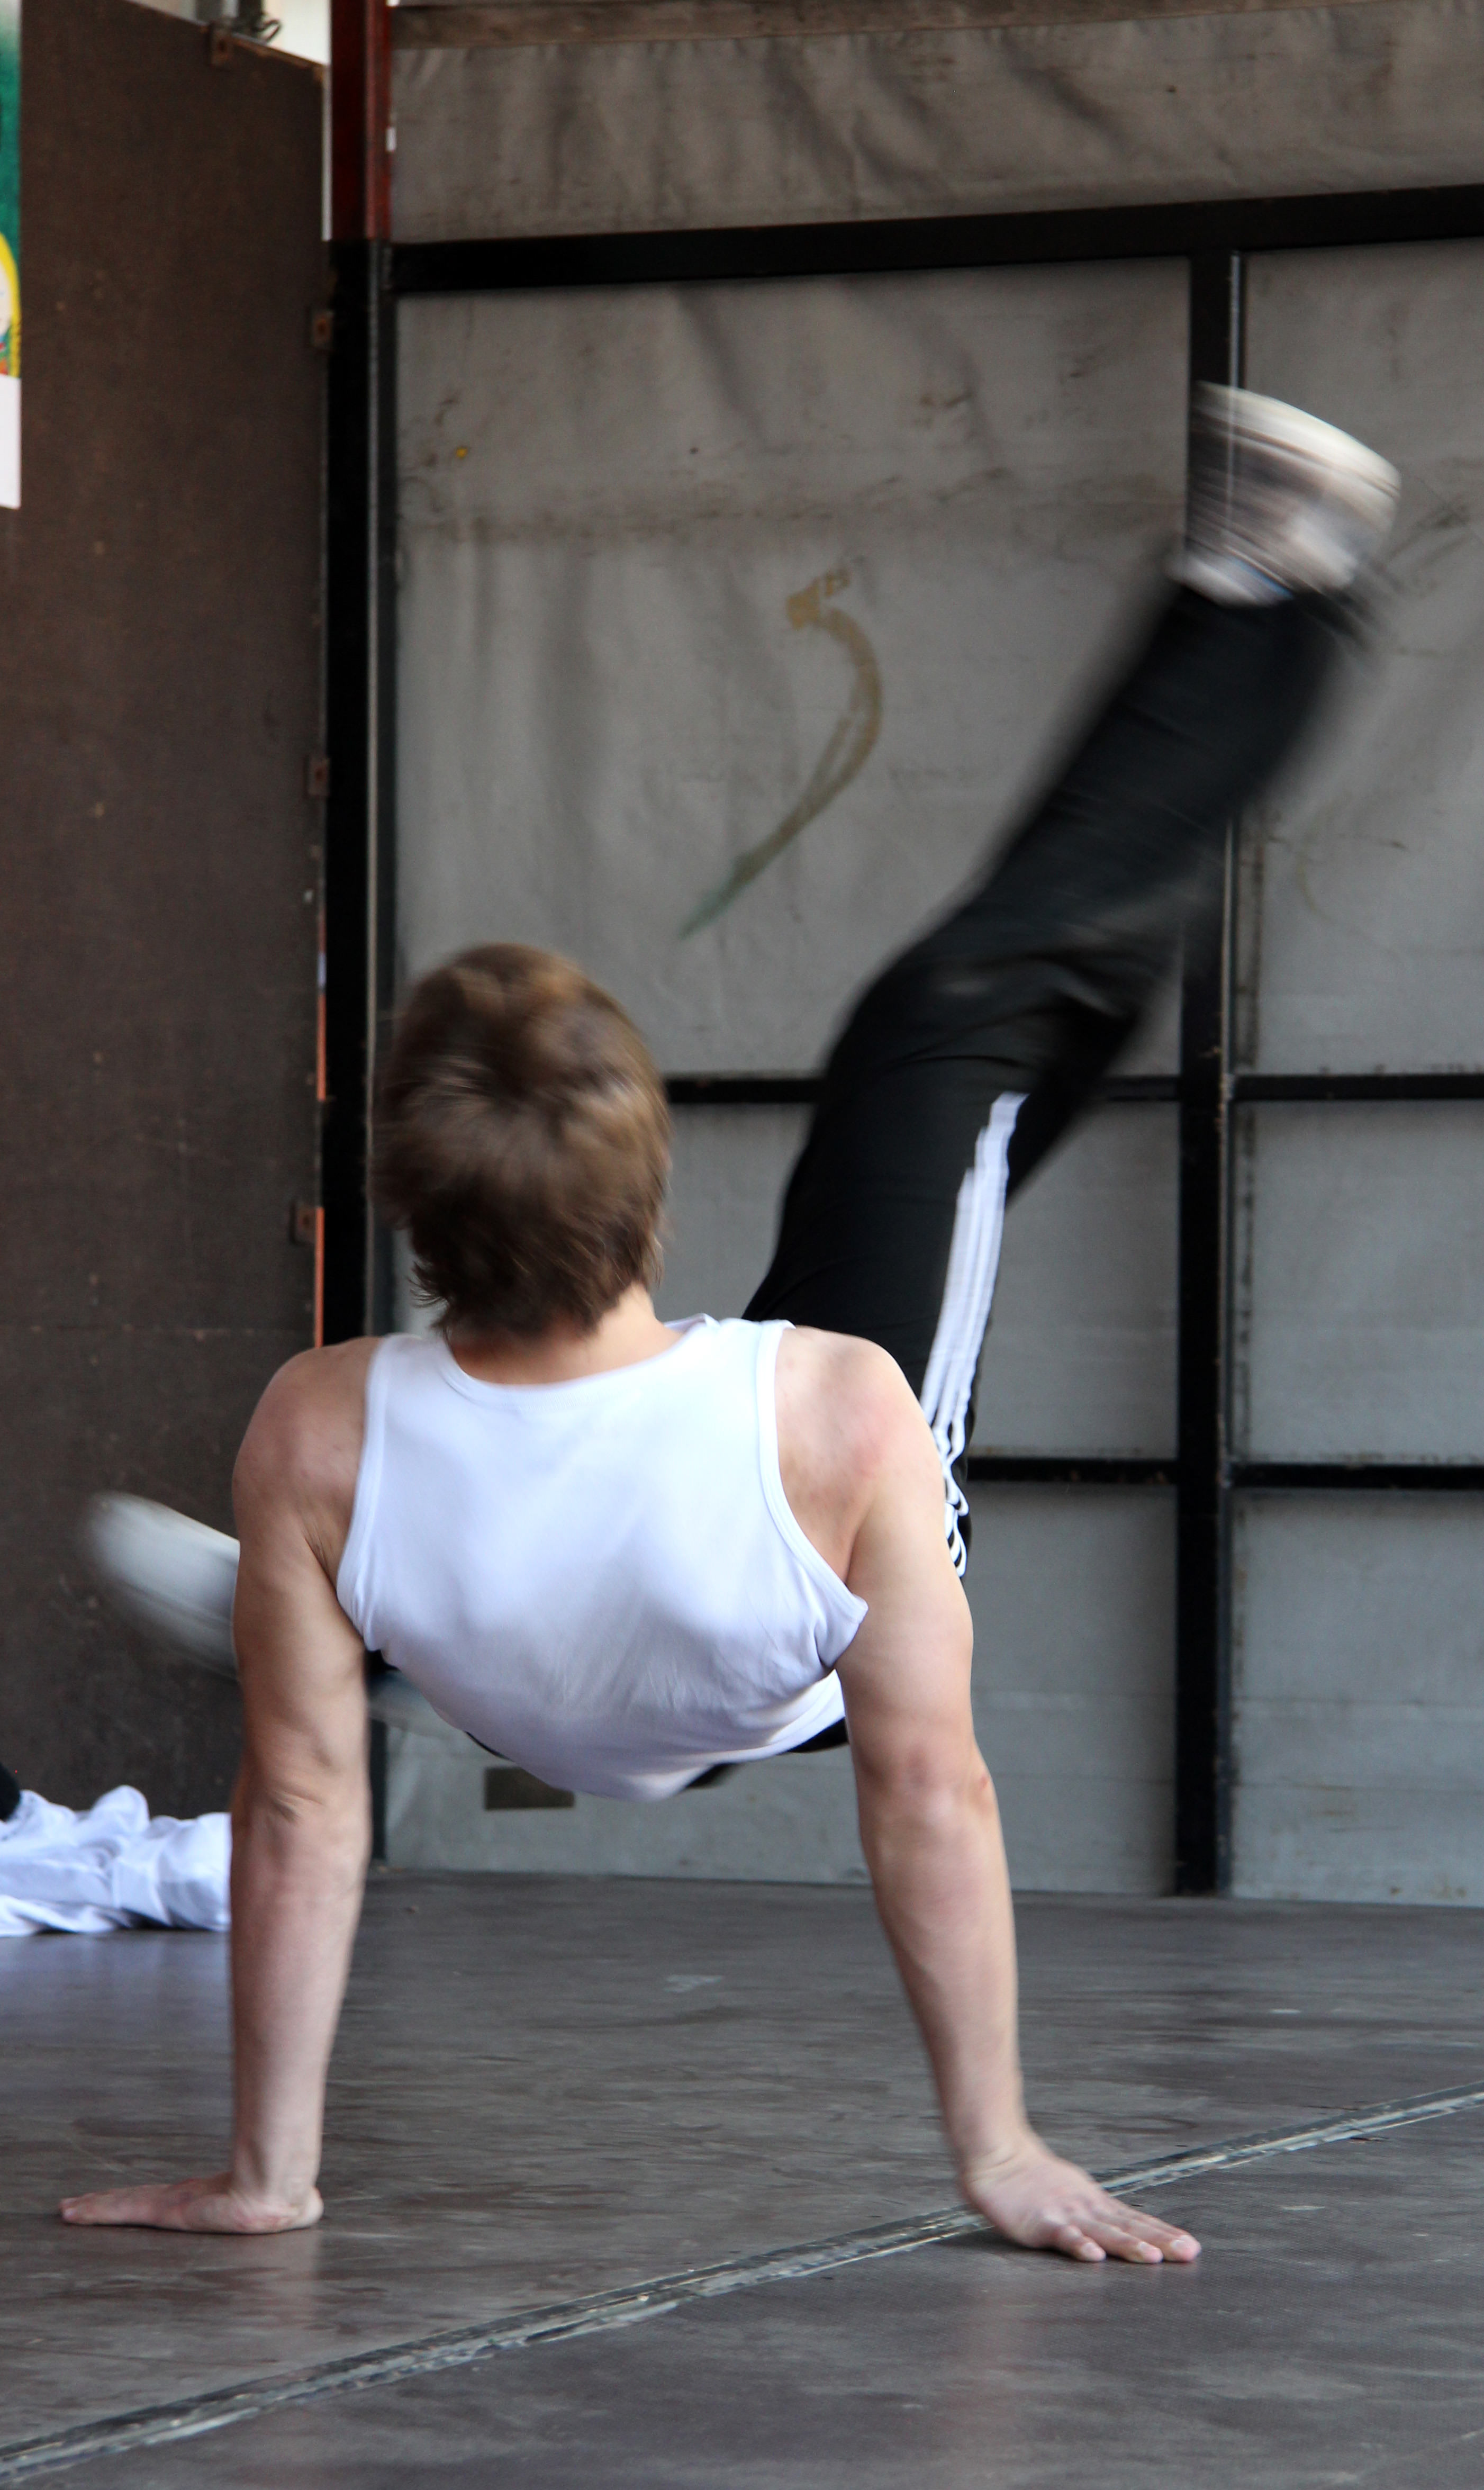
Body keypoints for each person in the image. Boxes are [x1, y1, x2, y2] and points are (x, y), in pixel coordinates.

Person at [67, 385, 1397, 2259]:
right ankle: (1264, 604)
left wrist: (268, 2177)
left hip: (558, 1657)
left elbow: (297, 1811)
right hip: (766, 1649)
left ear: (408, 1218)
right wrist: (997, 2149)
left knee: (1008, 1004)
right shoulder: (842, 1412)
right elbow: (922, 1783)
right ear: (655, 1188)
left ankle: (365, 1633)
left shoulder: (313, 1427)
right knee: (955, 1021)